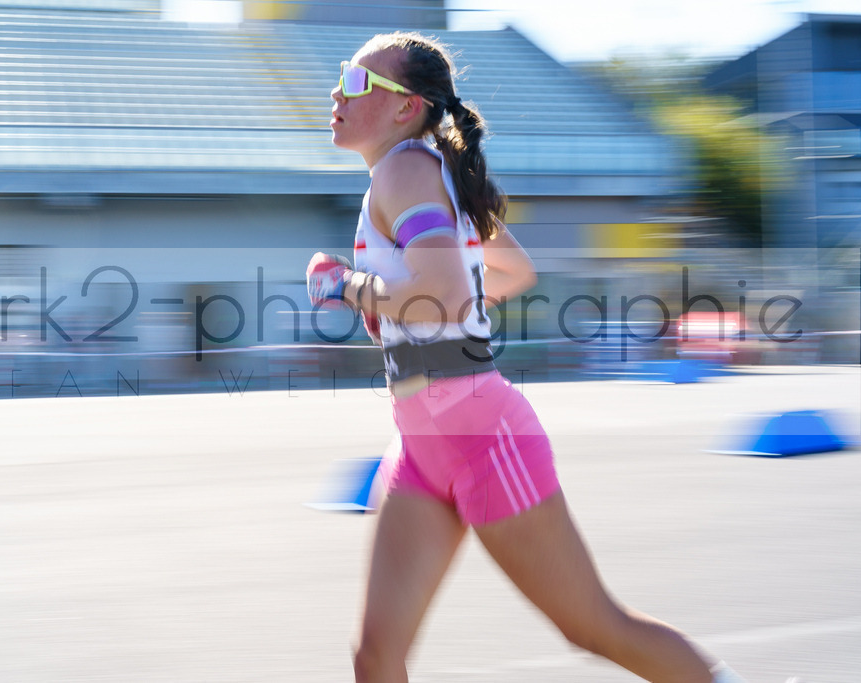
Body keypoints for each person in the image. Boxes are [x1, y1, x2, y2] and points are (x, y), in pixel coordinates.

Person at [306, 32, 748, 683]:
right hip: (423, 444)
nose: (337, 91)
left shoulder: (404, 171)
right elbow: (511, 271)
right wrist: (406, 304)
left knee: (593, 625)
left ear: (405, 107)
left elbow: (447, 294)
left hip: (481, 436)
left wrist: (348, 285)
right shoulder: (426, 173)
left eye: (355, 80)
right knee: (376, 656)